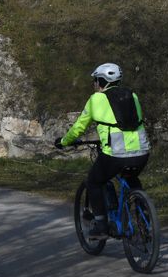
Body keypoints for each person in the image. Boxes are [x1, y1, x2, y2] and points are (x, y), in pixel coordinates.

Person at [54, 63, 150, 239]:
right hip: (142, 152)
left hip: (116, 155)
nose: (94, 84)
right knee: (131, 178)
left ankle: (101, 226)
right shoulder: (133, 96)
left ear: (101, 81)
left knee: (94, 181)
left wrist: (64, 141)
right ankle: (146, 222)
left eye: (95, 80)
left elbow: (79, 127)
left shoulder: (96, 99)